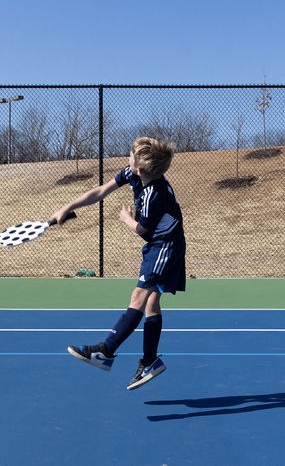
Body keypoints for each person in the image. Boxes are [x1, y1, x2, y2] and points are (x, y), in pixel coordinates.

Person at [51, 136, 186, 390]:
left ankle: (106, 351)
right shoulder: (135, 174)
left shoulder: (153, 194)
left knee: (139, 296)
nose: (128, 155)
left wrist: (126, 219)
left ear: (141, 168)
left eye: (131, 155)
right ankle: (150, 361)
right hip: (165, 243)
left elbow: (144, 230)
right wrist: (67, 206)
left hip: (165, 246)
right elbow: (101, 191)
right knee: (152, 302)